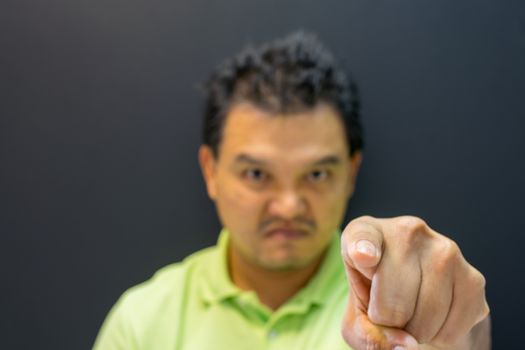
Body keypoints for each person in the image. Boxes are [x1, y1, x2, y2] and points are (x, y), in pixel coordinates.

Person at [93, 32, 490, 350]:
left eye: (316, 174)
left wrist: (453, 325)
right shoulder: (143, 321)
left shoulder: (399, 309)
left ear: (351, 173)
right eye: (256, 174)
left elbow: (462, 336)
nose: (288, 205)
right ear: (211, 171)